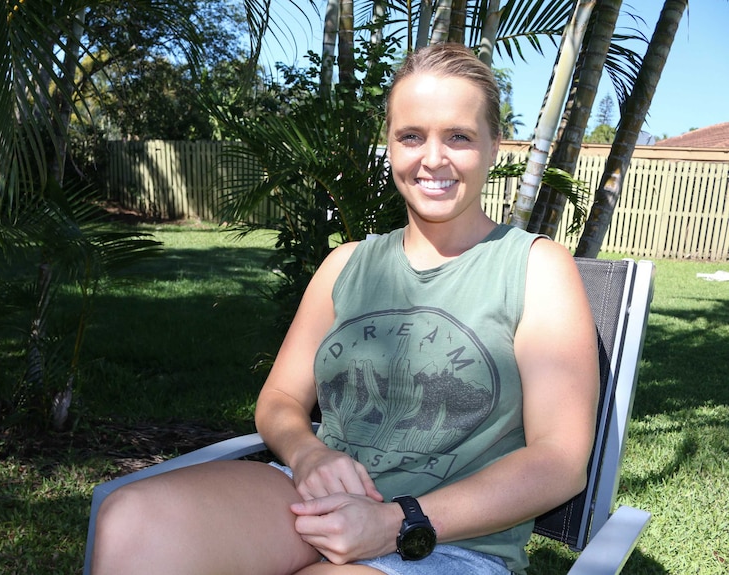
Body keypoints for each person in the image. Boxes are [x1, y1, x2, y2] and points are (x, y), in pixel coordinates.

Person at [91, 42, 599, 575]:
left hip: (448, 541)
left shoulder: (535, 268)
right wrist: (309, 454)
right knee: (130, 522)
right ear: (390, 145)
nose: (432, 158)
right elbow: (281, 398)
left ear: (494, 147)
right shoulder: (345, 266)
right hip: (314, 499)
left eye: (459, 136)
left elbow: (559, 462)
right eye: (411, 136)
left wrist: (396, 521)